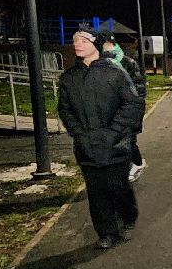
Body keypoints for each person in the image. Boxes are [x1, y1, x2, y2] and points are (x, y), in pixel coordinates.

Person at [58, 29, 142, 250]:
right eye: (75, 40)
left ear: (96, 45)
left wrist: (114, 132)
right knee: (96, 192)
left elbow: (132, 104)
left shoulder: (115, 73)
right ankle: (106, 232)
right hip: (87, 146)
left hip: (116, 144)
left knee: (118, 186)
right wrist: (79, 133)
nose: (77, 44)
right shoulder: (69, 78)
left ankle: (128, 217)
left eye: (83, 40)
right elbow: (65, 110)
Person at [100, 32, 148, 181]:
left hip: (126, 108)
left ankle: (137, 163)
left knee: (128, 138)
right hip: (108, 109)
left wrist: (134, 108)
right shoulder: (98, 63)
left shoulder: (128, 62)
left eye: (106, 44)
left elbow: (139, 88)